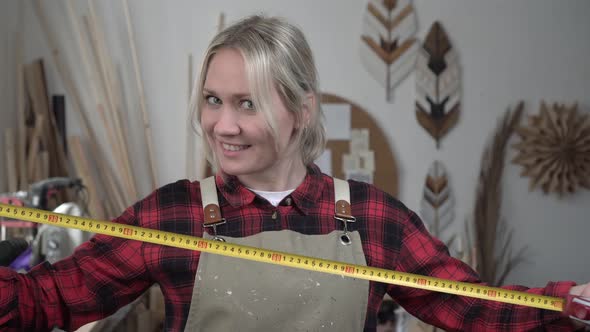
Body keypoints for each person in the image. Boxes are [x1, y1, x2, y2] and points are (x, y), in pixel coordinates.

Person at [0, 14, 589, 332]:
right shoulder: (172, 213)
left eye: (247, 103)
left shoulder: (371, 217)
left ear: (301, 109)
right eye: (211, 99)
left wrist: (570, 306)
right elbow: (51, 299)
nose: (221, 125)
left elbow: (473, 307)